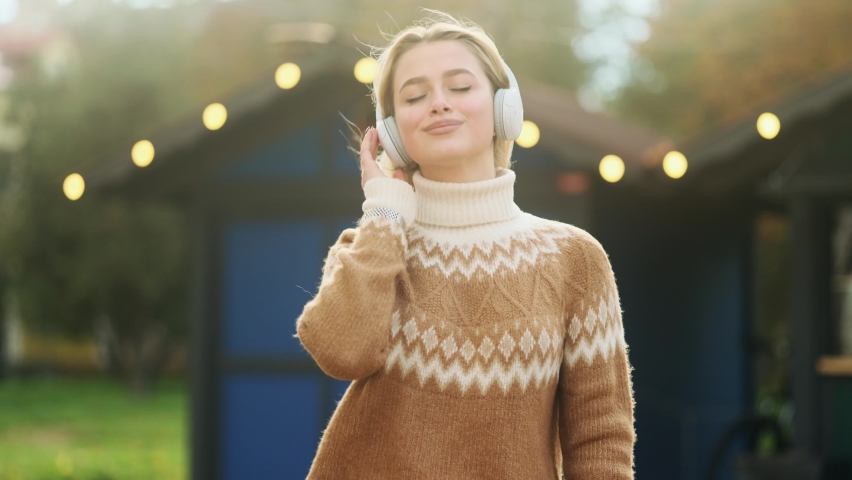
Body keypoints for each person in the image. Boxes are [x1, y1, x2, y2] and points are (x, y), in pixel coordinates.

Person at [296, 11, 636, 479]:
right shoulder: (370, 245)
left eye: (459, 87)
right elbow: (340, 352)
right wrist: (385, 213)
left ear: (503, 107)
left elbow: (601, 437)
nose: (438, 104)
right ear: (392, 132)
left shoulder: (574, 259)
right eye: (414, 96)